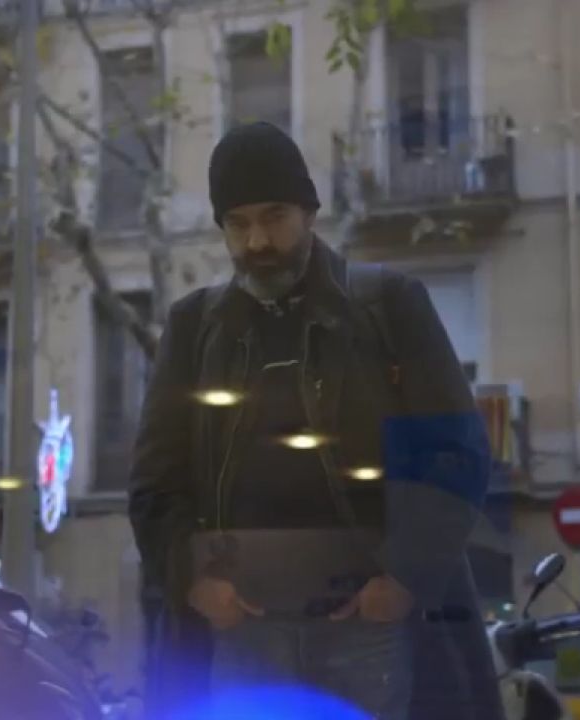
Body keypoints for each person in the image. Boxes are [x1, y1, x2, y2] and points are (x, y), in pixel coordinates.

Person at [129, 122, 504, 720]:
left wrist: (402, 580)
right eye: (238, 223)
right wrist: (195, 582)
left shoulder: (389, 305)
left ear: (308, 212)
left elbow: (455, 453)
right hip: (241, 630)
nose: (257, 240)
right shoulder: (194, 328)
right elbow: (156, 483)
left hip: (370, 627)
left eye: (274, 217)